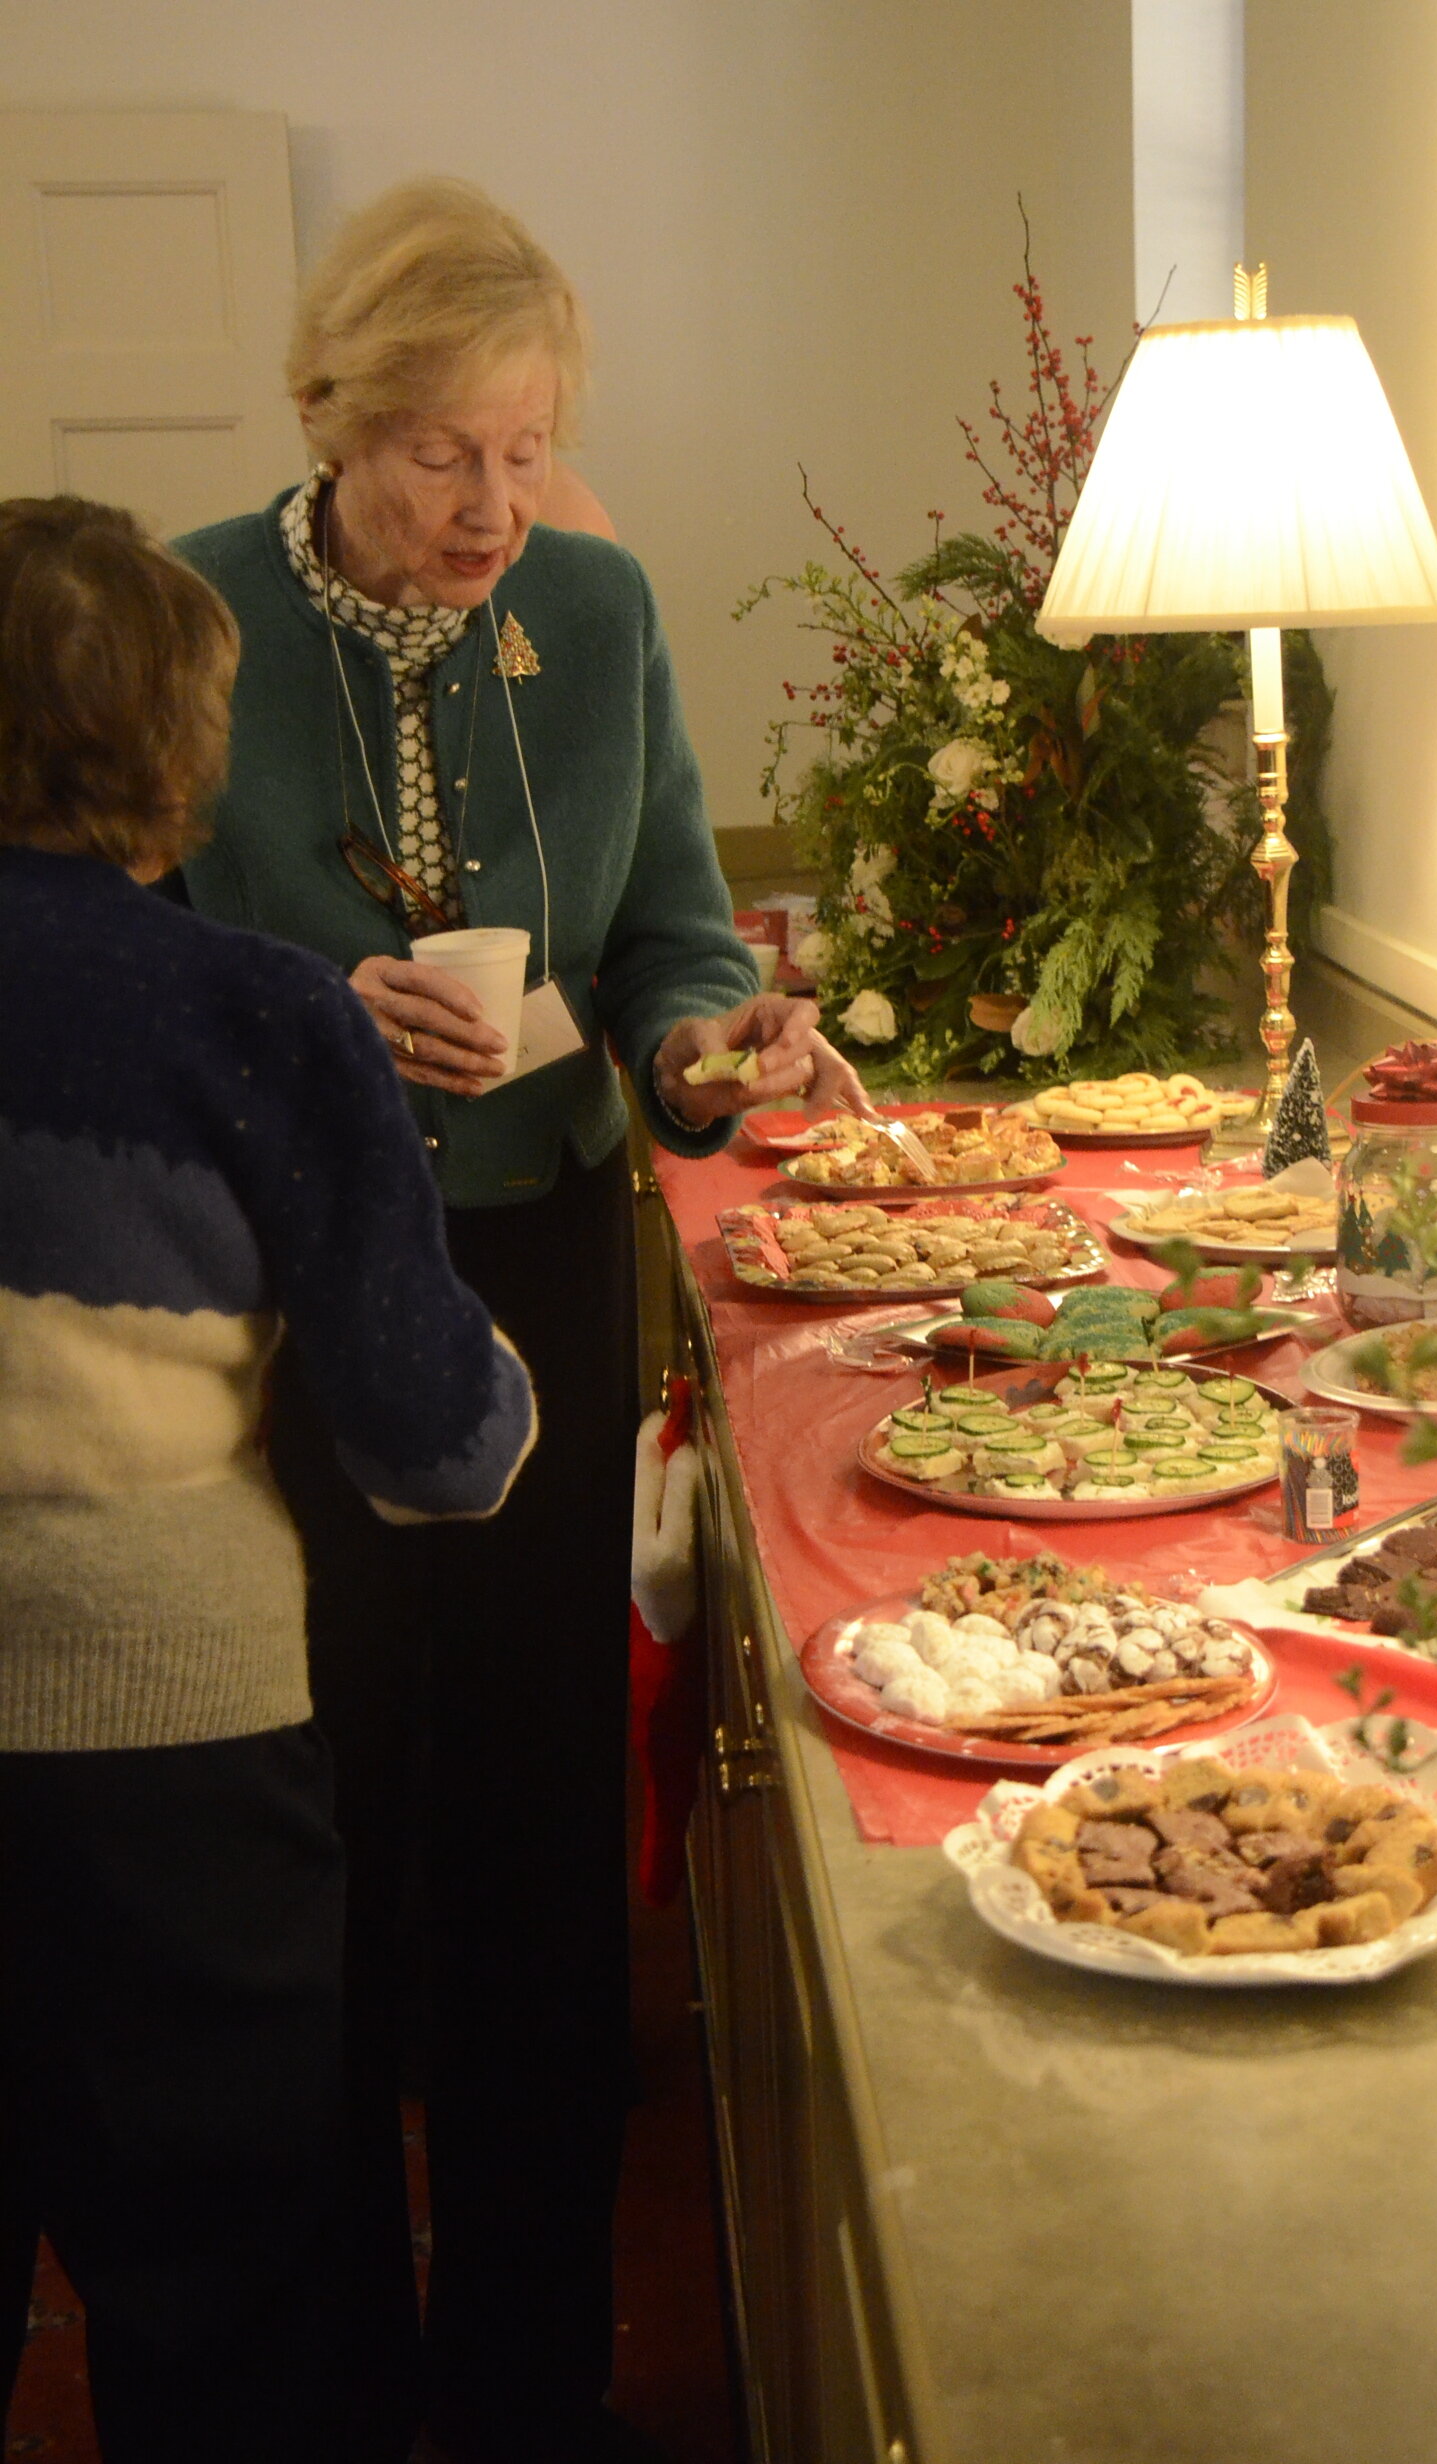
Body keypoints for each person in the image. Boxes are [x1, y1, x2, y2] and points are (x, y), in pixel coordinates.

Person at [172, 177, 865, 2464]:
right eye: (437, 454)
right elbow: (118, 966)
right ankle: (335, 2373)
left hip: (541, 1263)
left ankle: (532, 2370)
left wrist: (704, 1048)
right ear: (330, 420)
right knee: (334, 1828)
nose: (490, 508)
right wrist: (306, 1019)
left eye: (527, 446)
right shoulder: (188, 615)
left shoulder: (598, 598)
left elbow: (674, 931)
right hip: (276, 1292)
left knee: (537, 1840)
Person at [0, 496, 539, 2464]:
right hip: (172, 1738)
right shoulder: (256, 1011)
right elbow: (429, 1438)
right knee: (219, 2288)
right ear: (178, 748)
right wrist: (505, 1395)